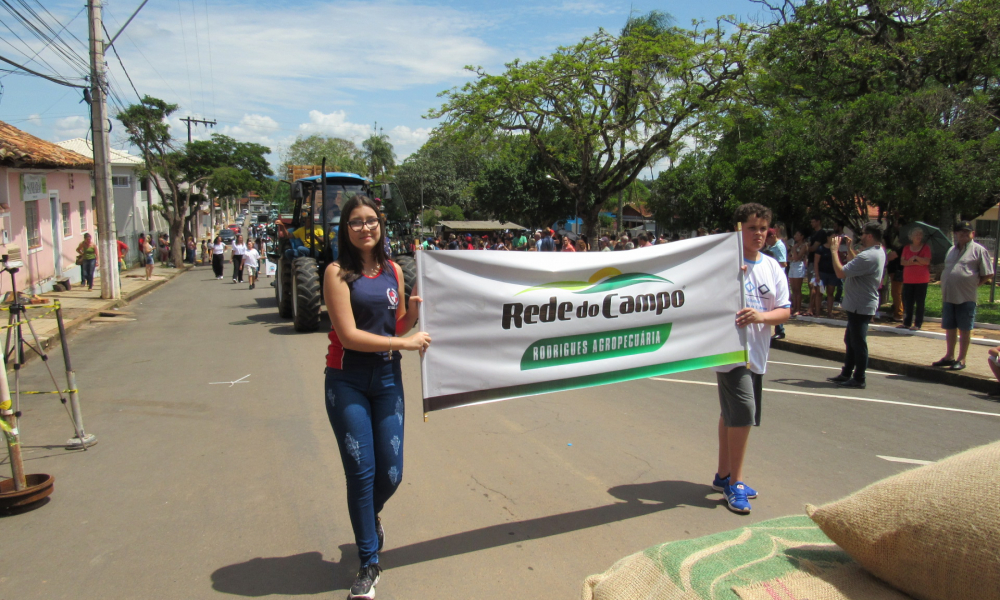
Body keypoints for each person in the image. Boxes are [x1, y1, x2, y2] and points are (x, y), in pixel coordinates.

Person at [323, 194, 431, 599]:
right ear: (345, 229)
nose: (365, 227)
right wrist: (404, 343)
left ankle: (370, 516)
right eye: (356, 222)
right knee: (361, 472)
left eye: (371, 220)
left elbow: (395, 321)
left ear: (380, 225)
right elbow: (350, 335)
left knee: (391, 473)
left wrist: (413, 315)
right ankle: (368, 562)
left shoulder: (392, 272)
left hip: (387, 379)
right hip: (346, 380)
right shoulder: (337, 273)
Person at [712, 203, 790, 515]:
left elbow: (784, 310)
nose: (758, 234)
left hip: (757, 352)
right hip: (730, 351)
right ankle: (737, 483)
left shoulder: (771, 266)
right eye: (751, 228)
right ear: (738, 229)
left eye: (763, 228)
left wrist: (761, 315)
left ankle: (723, 474)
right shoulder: (723, 264)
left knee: (731, 414)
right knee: (744, 411)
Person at [826, 222, 886, 390]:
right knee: (851, 340)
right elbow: (856, 265)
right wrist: (851, 249)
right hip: (858, 304)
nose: (861, 236)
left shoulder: (869, 256)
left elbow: (840, 272)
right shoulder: (875, 252)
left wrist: (833, 251)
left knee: (858, 342)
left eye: (864, 234)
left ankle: (859, 377)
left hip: (861, 304)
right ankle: (847, 373)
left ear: (870, 236)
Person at [934, 221, 993, 371]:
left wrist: (974, 284)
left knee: (965, 328)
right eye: (961, 231)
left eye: (967, 231)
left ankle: (962, 358)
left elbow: (988, 273)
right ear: (956, 234)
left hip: (966, 296)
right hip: (949, 295)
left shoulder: (979, 250)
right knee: (950, 327)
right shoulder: (951, 250)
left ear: (973, 233)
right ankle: (949, 356)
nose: (964, 234)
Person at [899, 227, 931, 331]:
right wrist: (916, 262)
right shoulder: (906, 248)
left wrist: (916, 259)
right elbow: (902, 262)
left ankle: (918, 323)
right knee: (908, 302)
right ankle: (907, 322)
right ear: (911, 237)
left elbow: (926, 261)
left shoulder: (925, 248)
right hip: (908, 279)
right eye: (916, 234)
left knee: (920, 302)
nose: (918, 236)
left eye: (920, 234)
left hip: (921, 279)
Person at [814, 234, 839, 318]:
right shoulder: (821, 248)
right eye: (832, 237)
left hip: (832, 274)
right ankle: (817, 312)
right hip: (822, 273)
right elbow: (816, 262)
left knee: (830, 293)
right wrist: (817, 275)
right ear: (828, 238)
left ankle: (829, 312)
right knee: (819, 293)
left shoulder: (835, 249)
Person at [787, 229, 809, 316]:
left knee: (797, 289)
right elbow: (789, 257)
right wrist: (793, 250)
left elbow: (797, 257)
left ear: (802, 236)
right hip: (792, 266)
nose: (795, 236)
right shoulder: (794, 245)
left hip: (799, 266)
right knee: (793, 289)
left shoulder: (804, 245)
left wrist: (795, 249)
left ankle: (798, 308)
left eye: (797, 234)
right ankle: (794, 307)